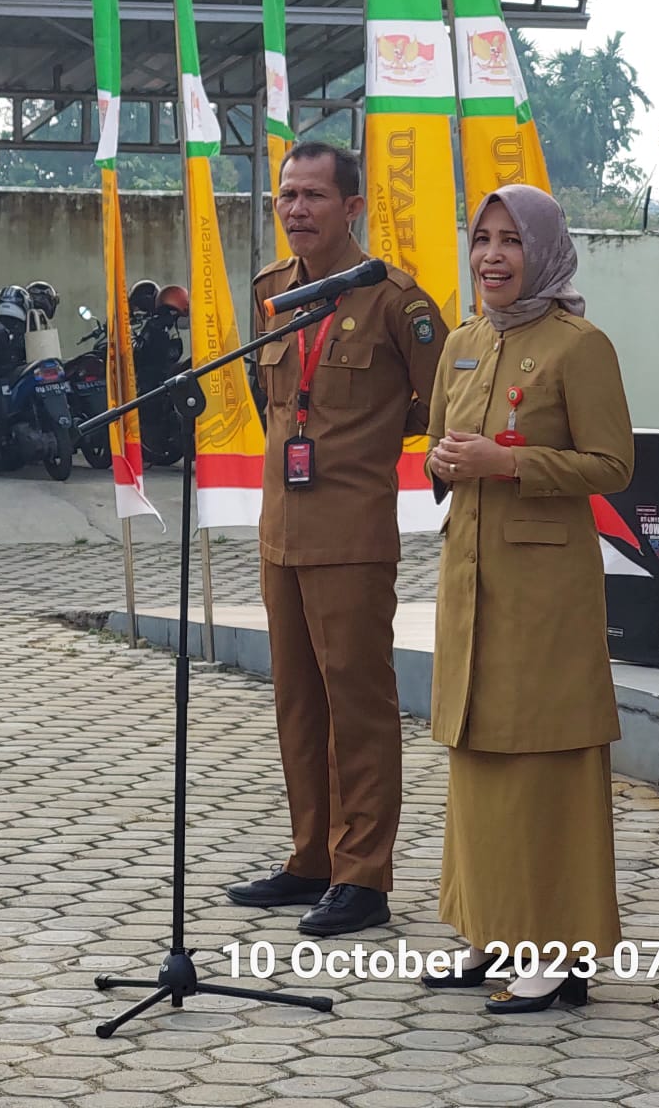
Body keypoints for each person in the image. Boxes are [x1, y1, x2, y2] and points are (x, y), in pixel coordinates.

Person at [225, 140, 447, 937]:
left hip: (352, 530)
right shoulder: (273, 293)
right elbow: (270, 398)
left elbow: (439, 401)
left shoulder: (396, 301)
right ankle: (310, 856)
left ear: (352, 208)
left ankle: (364, 877)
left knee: (359, 703)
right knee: (296, 702)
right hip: (281, 527)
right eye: (286, 196)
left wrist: (369, 437)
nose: (296, 210)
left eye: (314, 196)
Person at [423, 183, 633, 1012]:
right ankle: (489, 932)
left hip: (545, 593)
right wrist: (445, 464)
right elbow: (443, 443)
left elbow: (613, 467)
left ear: (543, 250)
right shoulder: (465, 341)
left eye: (511, 240)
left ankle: (557, 950)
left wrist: (508, 465)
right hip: (470, 582)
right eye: (482, 240)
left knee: (543, 761)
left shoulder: (581, 347)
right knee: (477, 754)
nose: (493, 257)